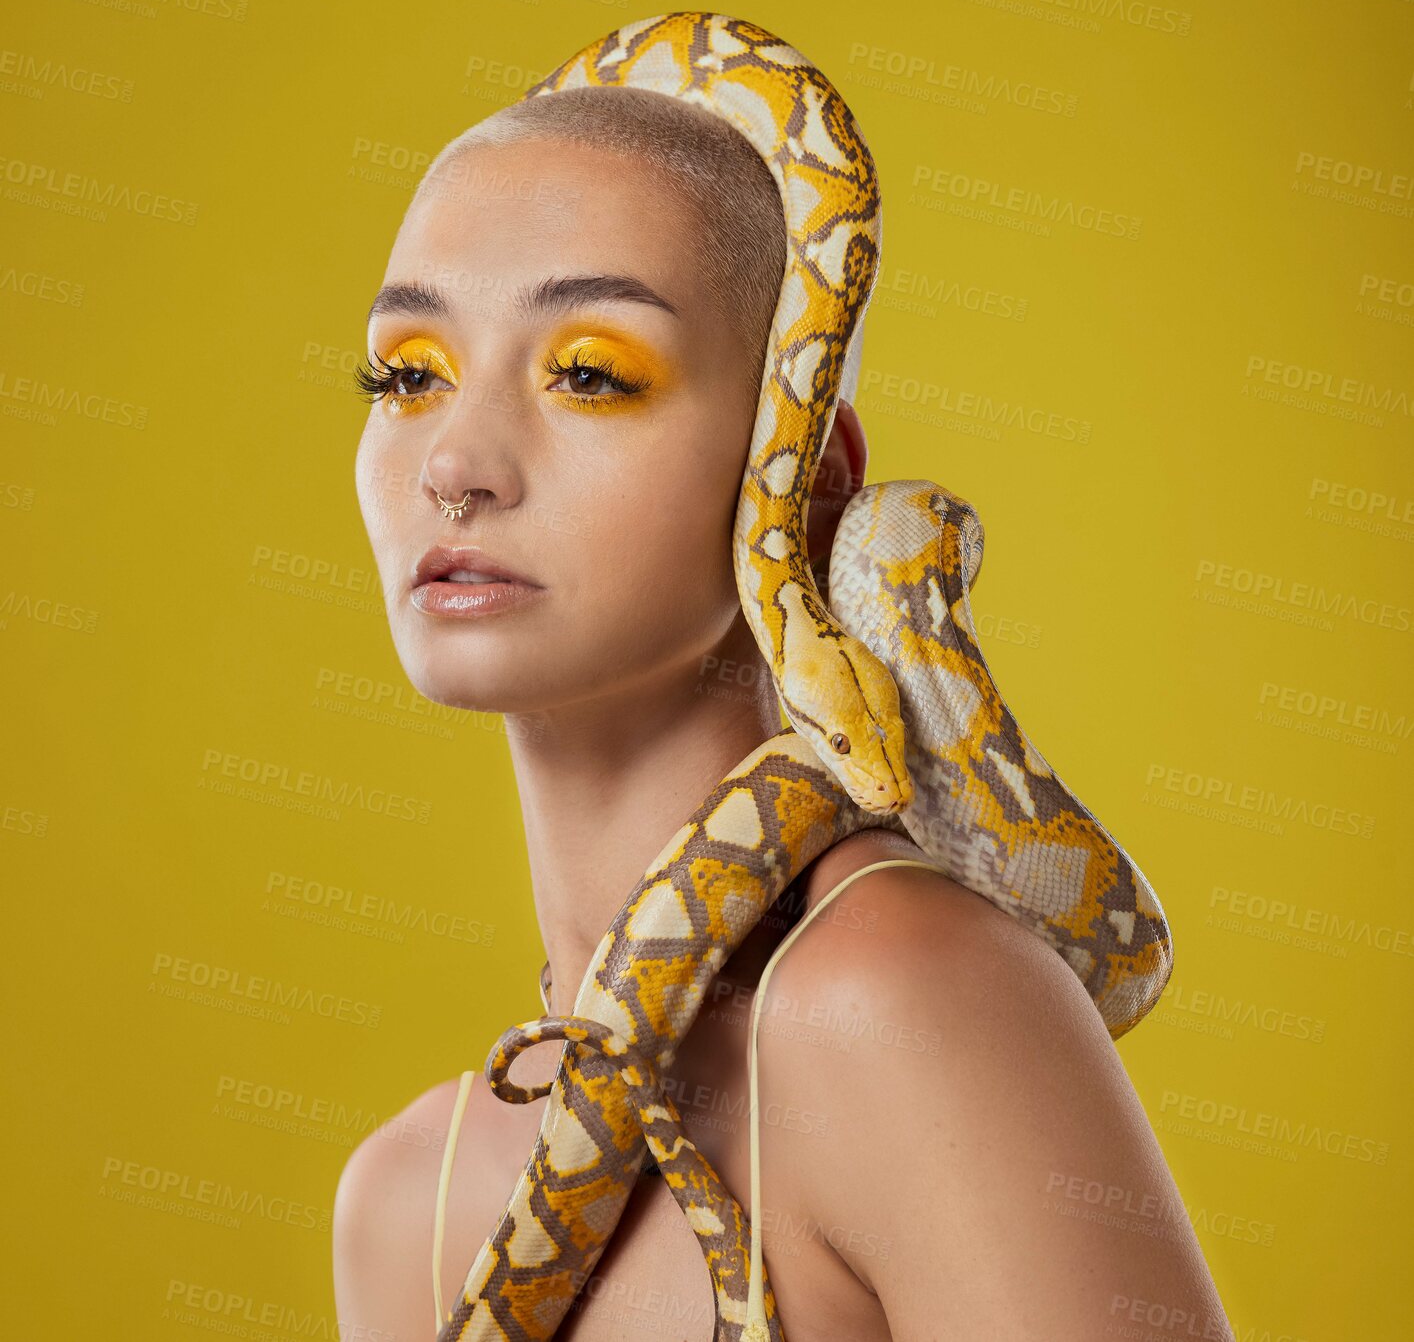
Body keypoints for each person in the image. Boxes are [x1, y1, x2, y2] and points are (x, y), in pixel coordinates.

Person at [332, 83, 1230, 1340]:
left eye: (591, 373)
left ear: (808, 485)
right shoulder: (404, 1198)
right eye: (405, 373)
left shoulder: (905, 994)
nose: (452, 464)